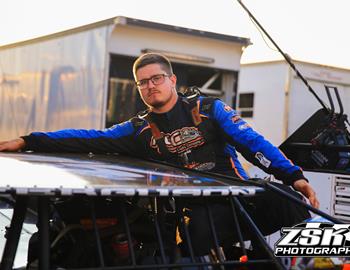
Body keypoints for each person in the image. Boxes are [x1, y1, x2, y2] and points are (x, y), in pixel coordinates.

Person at [0, 53, 319, 257]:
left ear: (172, 80)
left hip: (236, 199)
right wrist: (29, 140)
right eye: (143, 82)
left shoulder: (209, 109)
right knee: (188, 238)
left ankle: (278, 257)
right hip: (191, 213)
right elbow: (89, 138)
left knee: (289, 202)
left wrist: (293, 176)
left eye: (156, 78)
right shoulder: (137, 129)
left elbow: (252, 142)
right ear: (138, 89)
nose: (150, 86)